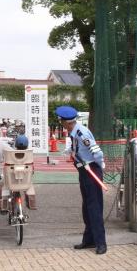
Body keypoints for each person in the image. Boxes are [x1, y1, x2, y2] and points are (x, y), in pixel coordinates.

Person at [56, 105, 107, 255]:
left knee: (94, 207)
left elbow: (96, 151)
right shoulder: (74, 132)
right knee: (87, 207)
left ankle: (100, 243)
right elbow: (77, 148)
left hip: (91, 171)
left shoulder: (81, 133)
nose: (61, 123)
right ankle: (89, 239)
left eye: (61, 121)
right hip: (84, 171)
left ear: (67, 122)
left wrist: (100, 164)